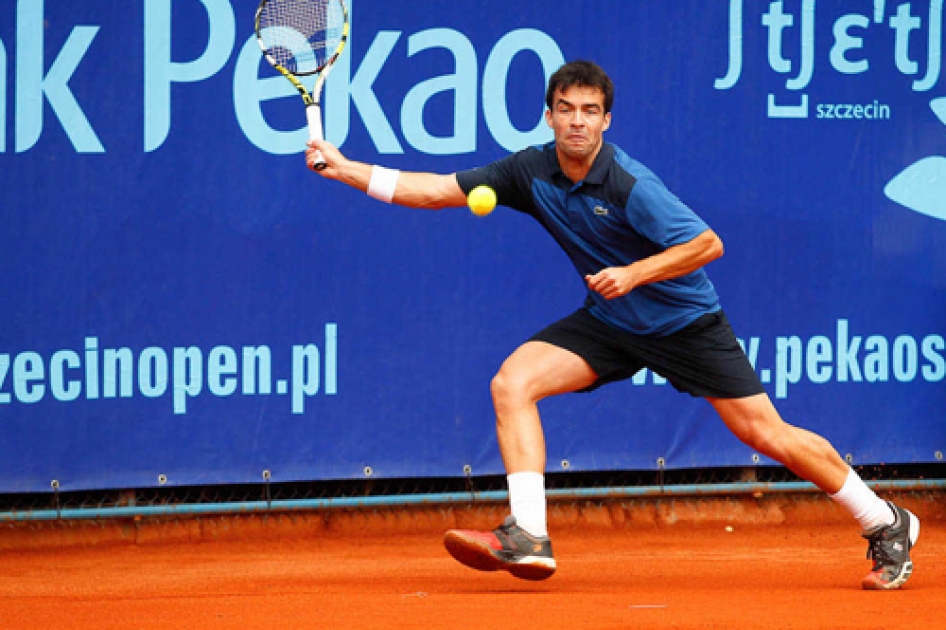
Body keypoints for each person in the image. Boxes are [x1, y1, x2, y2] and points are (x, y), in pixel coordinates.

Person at [304, 60, 919, 590]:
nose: (577, 120)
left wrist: (633, 273)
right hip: (612, 322)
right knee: (512, 383)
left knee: (767, 434)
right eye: (566, 108)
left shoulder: (630, 184)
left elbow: (707, 244)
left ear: (606, 122)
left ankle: (885, 521)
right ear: (548, 116)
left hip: (684, 322)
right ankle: (529, 535)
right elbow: (435, 189)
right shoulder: (529, 171)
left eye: (590, 111)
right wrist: (347, 168)